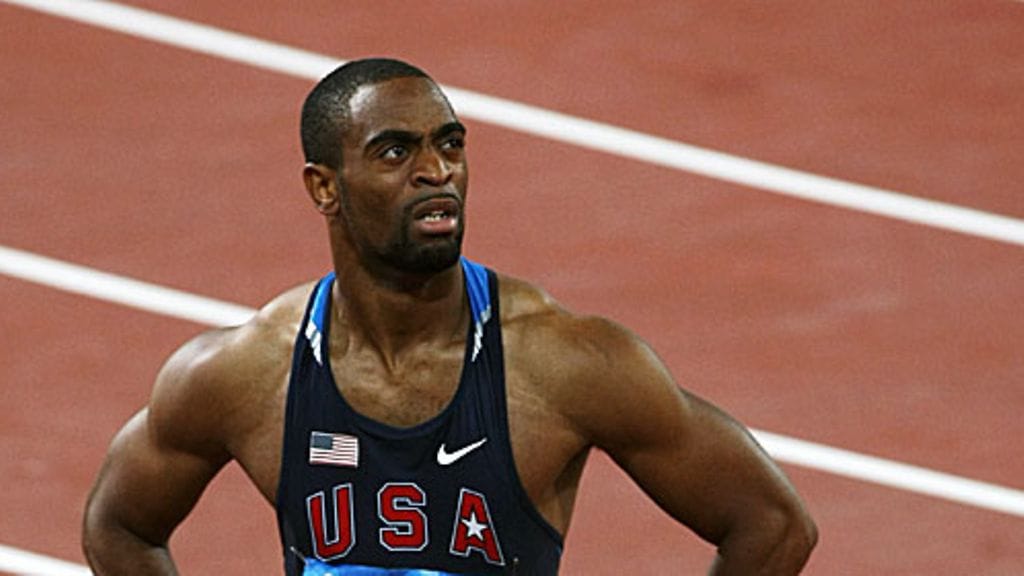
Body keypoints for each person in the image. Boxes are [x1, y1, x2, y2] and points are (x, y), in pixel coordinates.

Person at [82, 58, 817, 575]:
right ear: (324, 188)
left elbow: (772, 525)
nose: (437, 172)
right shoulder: (246, 374)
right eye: (396, 151)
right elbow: (119, 526)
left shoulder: (563, 363)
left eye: (450, 144)